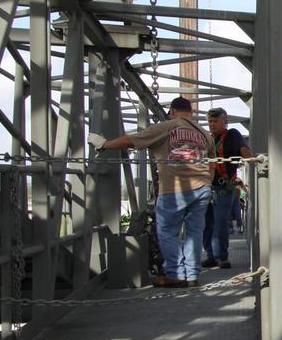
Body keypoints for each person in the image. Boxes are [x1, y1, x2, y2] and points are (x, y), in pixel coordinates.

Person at [95, 97, 213, 288]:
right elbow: (212, 162)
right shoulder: (205, 133)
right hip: (202, 187)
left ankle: (175, 274)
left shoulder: (168, 126)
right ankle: (191, 274)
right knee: (194, 232)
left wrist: (104, 144)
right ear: (190, 112)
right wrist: (207, 181)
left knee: (168, 232)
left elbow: (133, 140)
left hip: (174, 189)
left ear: (173, 111)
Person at [200, 107, 253, 269]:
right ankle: (211, 255)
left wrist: (252, 159)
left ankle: (221, 257)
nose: (212, 124)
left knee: (221, 222)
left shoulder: (232, 135)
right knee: (206, 222)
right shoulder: (208, 139)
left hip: (223, 187)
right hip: (206, 187)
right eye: (210, 121)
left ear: (225, 122)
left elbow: (243, 149)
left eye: (215, 121)